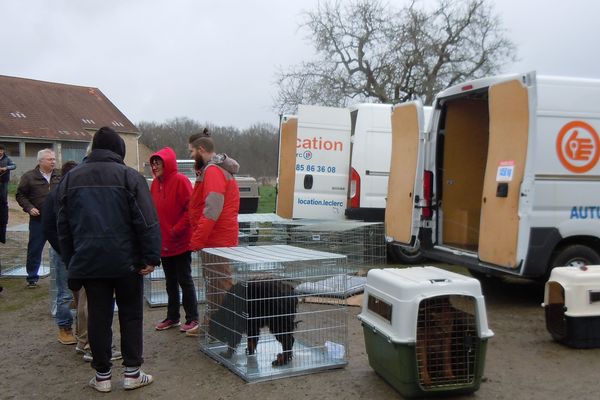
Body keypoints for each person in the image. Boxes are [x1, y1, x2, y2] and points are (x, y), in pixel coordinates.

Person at [57, 127, 161, 393]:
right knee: (131, 316)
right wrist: (150, 256)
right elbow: (147, 220)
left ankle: (102, 376)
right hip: (128, 262)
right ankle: (132, 373)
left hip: (90, 263)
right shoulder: (130, 177)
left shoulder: (71, 179)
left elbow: (63, 227)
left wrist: (73, 262)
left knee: (98, 318)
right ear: (119, 150)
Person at [187, 130, 240, 337]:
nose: (191, 156)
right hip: (215, 238)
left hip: (216, 239)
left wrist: (197, 240)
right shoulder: (212, 171)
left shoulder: (213, 172)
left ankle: (227, 327)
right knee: (215, 284)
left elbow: (212, 210)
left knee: (220, 284)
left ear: (201, 150)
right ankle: (213, 324)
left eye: (192, 152)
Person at [149, 147, 199, 332]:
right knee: (169, 281)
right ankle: (172, 317)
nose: (155, 167)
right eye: (153, 164)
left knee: (184, 280)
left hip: (180, 241)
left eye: (158, 163)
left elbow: (191, 209)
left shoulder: (181, 181)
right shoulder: (154, 184)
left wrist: (176, 229)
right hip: (164, 242)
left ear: (167, 163)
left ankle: (193, 317)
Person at [42, 161, 78, 345]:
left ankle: (81, 327)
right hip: (63, 252)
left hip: (77, 251)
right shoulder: (55, 196)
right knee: (65, 293)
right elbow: (48, 226)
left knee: (79, 292)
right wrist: (63, 249)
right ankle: (64, 328)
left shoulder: (74, 193)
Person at [16, 148, 60, 288]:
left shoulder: (61, 175)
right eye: (50, 159)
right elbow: (20, 195)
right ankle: (32, 278)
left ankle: (65, 275)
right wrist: (29, 208)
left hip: (58, 220)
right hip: (38, 220)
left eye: (54, 159)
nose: (53, 162)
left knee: (62, 247)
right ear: (40, 161)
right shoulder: (29, 177)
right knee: (35, 249)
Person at [0, 144, 17, 244]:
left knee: (3, 199)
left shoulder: (7, 158)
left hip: (4, 182)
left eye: (1, 150)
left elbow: (14, 166)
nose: (0, 152)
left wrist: (5, 168)